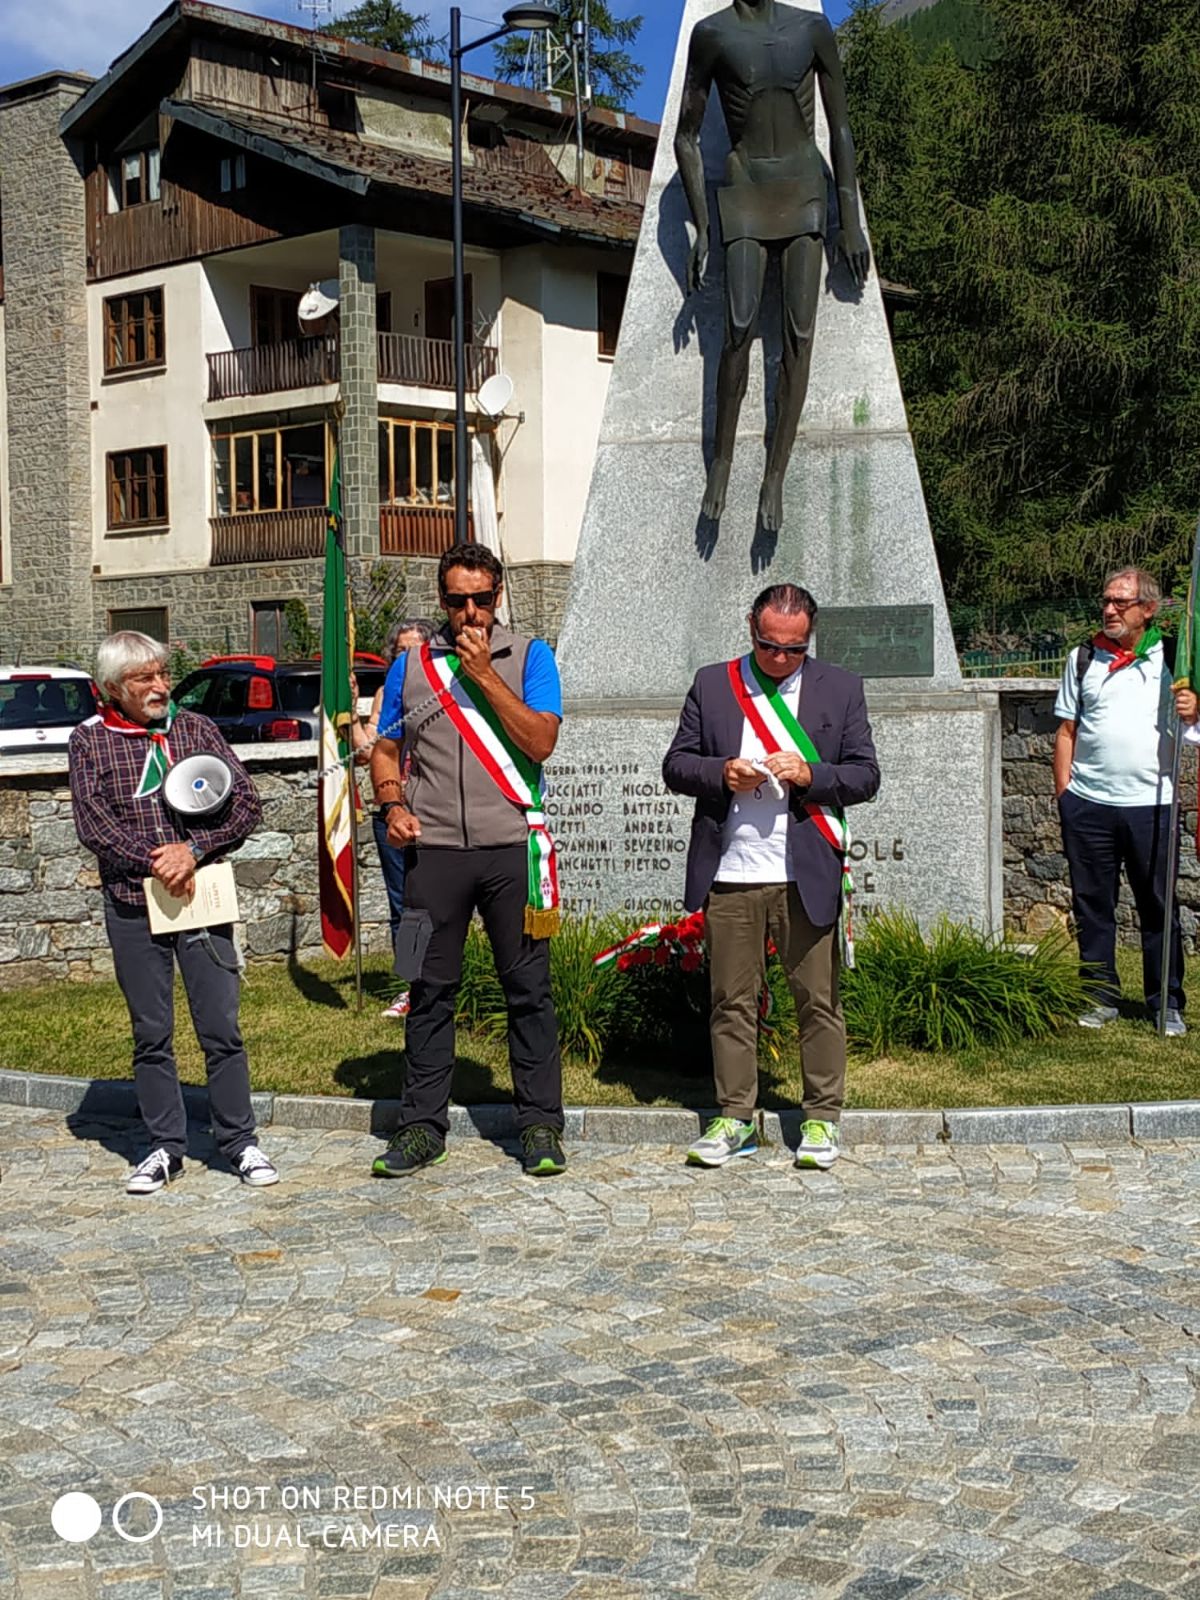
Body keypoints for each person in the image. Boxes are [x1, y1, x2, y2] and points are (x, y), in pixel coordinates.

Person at [663, 583, 880, 1170]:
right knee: (730, 1002)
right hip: (731, 871)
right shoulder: (714, 684)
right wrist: (721, 773)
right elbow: (676, 765)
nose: (781, 658)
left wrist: (811, 773)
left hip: (804, 871)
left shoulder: (840, 687)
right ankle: (735, 1118)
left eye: (794, 649)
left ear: (810, 639)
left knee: (818, 1001)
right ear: (751, 629)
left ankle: (822, 1118)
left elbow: (865, 776)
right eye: (769, 646)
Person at [369, 544, 568, 1178]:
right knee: (425, 988)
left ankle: (539, 1125)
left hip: (512, 851)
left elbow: (541, 740)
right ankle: (420, 1127)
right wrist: (391, 803)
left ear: (498, 595)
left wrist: (483, 675)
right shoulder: (410, 667)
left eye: (482, 599)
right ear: (442, 600)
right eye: (458, 601)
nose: (471, 612)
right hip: (432, 856)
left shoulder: (532, 656)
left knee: (528, 992)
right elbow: (385, 748)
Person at [68, 631, 278, 1195]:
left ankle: (239, 1140)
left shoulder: (196, 729)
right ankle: (164, 1145)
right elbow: (94, 824)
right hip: (134, 905)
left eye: (163, 673)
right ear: (114, 687)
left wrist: (195, 850)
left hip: (200, 900)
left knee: (221, 1027)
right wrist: (157, 861)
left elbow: (246, 804)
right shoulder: (89, 741)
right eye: (145, 678)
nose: (161, 685)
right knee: (151, 1032)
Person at [674, 0, 870, 531]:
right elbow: (686, 136)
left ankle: (775, 474)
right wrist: (702, 228)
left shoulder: (811, 28)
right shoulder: (712, 33)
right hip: (745, 187)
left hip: (805, 186)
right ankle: (722, 461)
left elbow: (840, 127)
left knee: (799, 334)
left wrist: (849, 221)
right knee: (738, 328)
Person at [1054, 568, 1198, 1035]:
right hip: (1088, 804)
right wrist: (1065, 797)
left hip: (1152, 803)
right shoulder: (1083, 658)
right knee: (1092, 905)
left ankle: (1165, 1002)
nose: (1110, 609)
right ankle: (1099, 996)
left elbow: (1193, 726)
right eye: (1106, 600)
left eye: (1121, 602)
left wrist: (1194, 707)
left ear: (1148, 609)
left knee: (1158, 907)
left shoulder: (1175, 657)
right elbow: (1067, 730)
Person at [350, 619, 438, 1020]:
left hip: (432, 810)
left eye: (414, 649)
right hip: (392, 810)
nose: (406, 657)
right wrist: (352, 713)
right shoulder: (388, 692)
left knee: (438, 902)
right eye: (400, 650)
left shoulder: (442, 686)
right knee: (402, 902)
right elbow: (368, 752)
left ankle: (440, 981)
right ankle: (411, 986)